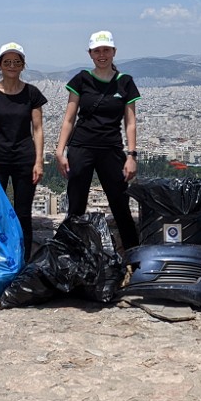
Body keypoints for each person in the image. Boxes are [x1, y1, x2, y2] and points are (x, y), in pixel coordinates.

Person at [55, 30, 141, 250]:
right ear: (90, 54)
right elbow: (69, 118)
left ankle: (133, 257)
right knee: (76, 205)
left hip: (111, 148)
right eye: (97, 51)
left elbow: (130, 122)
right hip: (81, 147)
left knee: (121, 204)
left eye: (106, 50)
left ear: (114, 52)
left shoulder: (125, 82)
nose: (101, 55)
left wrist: (131, 155)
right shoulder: (81, 79)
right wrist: (60, 150)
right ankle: (70, 256)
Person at [0, 42, 48, 258]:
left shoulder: (32, 93)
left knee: (23, 213)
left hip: (24, 158)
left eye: (16, 62)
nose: (11, 66)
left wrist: (38, 161)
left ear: (23, 65)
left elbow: (38, 129)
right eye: (7, 62)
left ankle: (22, 259)